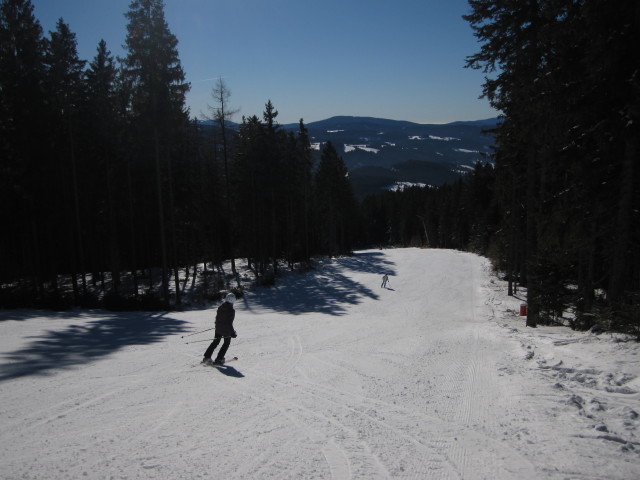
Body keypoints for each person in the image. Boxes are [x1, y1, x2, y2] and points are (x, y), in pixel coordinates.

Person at [202, 293, 237, 365]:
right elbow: (229, 323)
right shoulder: (231, 310)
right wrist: (232, 333)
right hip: (226, 331)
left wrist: (217, 325)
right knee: (226, 343)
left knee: (215, 342)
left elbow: (218, 318)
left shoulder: (220, 307)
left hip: (218, 328)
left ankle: (207, 357)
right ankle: (219, 359)